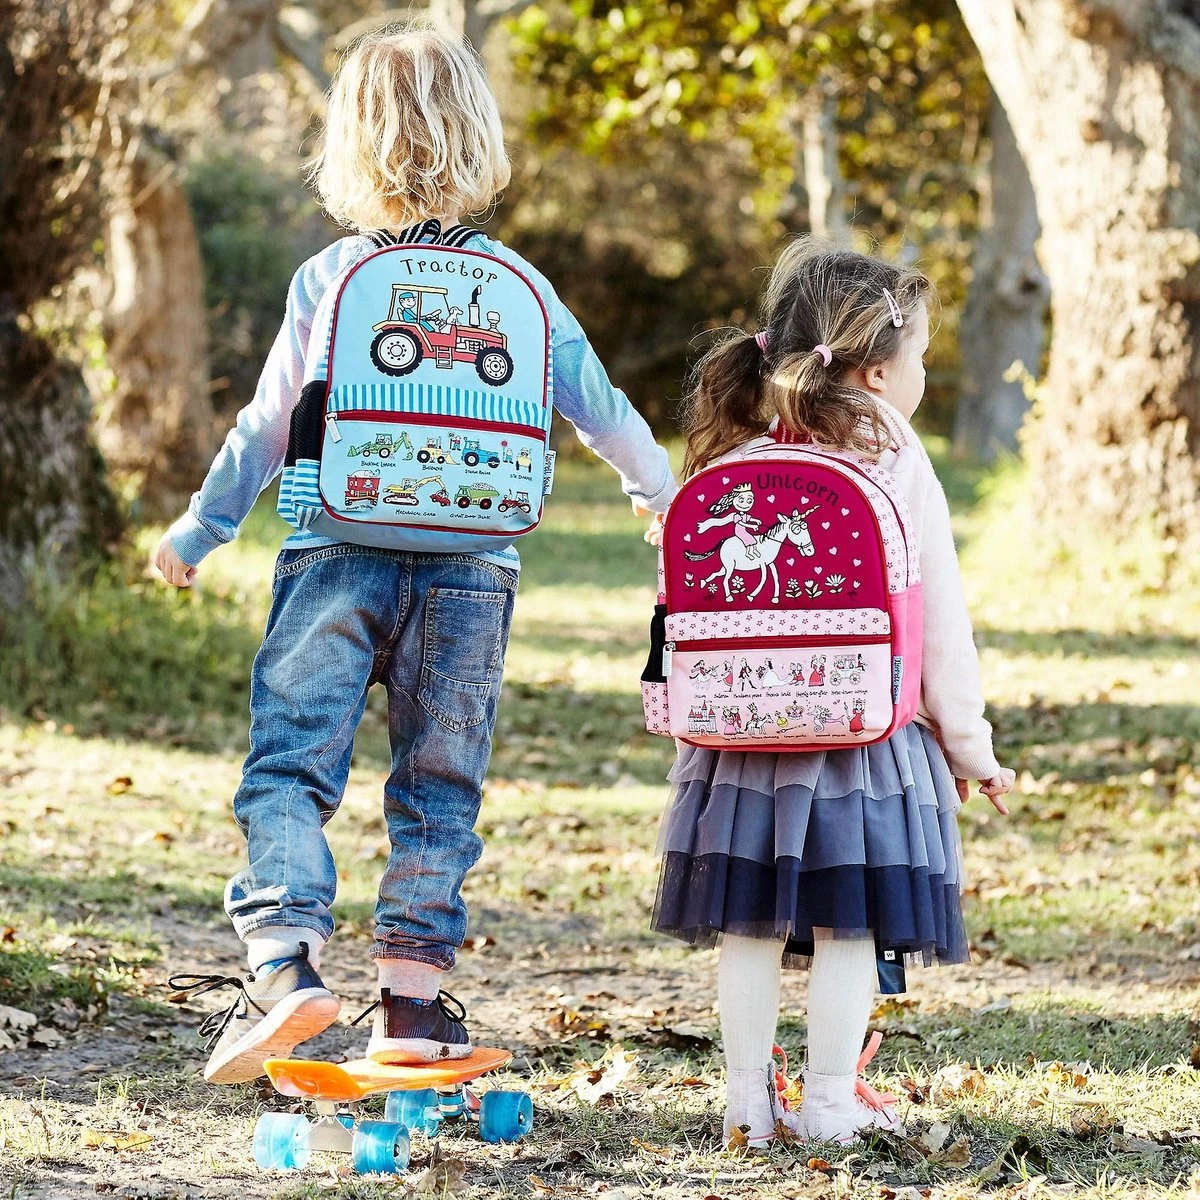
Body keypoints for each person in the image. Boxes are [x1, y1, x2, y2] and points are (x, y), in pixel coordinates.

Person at [155, 22, 675, 1086]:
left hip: (331, 550)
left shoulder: (329, 277)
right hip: (473, 567)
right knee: (439, 783)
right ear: (478, 139)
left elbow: (265, 427)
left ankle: (284, 968)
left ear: (347, 147)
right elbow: (601, 407)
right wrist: (662, 498)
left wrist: (198, 529)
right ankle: (411, 1001)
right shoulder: (517, 284)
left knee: (291, 767)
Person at [645, 238, 1015, 1147]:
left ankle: (744, 1101)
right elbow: (942, 622)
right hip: (860, 736)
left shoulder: (742, 431)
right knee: (851, 924)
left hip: (737, 731)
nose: (924, 372)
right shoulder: (895, 453)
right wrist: (968, 743)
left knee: (749, 924)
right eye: (923, 355)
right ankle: (829, 1099)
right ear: (881, 369)